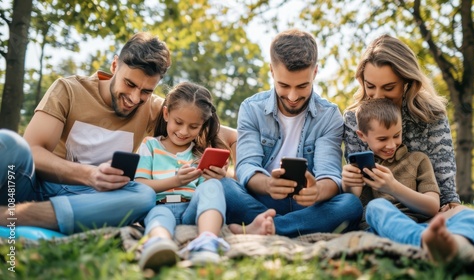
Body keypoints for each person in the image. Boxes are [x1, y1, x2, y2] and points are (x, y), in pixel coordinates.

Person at [0, 32, 236, 236]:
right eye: (130, 84)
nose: (135, 98)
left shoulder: (154, 108)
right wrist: (89, 174)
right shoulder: (69, 90)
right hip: (41, 187)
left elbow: (216, 130)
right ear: (115, 66)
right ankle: (26, 214)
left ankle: (16, 217)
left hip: (98, 201)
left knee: (143, 195)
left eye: (146, 91)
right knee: (9, 143)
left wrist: (218, 166)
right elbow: (33, 151)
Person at [221, 28, 363, 238]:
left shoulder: (329, 115)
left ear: (314, 73)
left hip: (308, 204)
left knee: (350, 204)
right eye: (284, 85)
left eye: (302, 86)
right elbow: (246, 167)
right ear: (272, 71)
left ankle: (270, 227)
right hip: (263, 197)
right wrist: (269, 184)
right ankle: (292, 226)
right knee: (221, 185)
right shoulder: (251, 108)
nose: (293, 96)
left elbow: (330, 174)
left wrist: (317, 191)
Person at [341, 98, 474, 263]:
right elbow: (352, 202)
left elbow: (432, 207)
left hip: (423, 224)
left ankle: (457, 247)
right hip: (385, 229)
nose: (391, 145)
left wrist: (393, 187)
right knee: (376, 207)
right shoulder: (363, 167)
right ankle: (424, 244)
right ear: (362, 136)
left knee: (472, 215)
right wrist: (348, 182)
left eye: (396, 135)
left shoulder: (419, 160)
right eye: (382, 139)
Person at [343, 34, 461, 210]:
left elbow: (445, 184)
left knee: (463, 217)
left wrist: (449, 204)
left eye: (389, 88)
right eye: (370, 86)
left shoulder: (431, 114)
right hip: (375, 209)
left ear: (407, 81)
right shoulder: (355, 118)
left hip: (425, 207)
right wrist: (348, 181)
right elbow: (356, 186)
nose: (377, 96)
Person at [135, 82, 231, 270]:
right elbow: (140, 185)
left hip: (190, 209)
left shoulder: (200, 154)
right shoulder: (150, 146)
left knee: (214, 187)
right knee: (158, 216)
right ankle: (159, 245)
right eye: (178, 122)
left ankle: (207, 241)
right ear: (166, 114)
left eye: (193, 126)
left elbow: (205, 192)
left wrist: (215, 178)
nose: (184, 131)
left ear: (202, 125)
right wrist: (176, 181)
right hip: (160, 205)